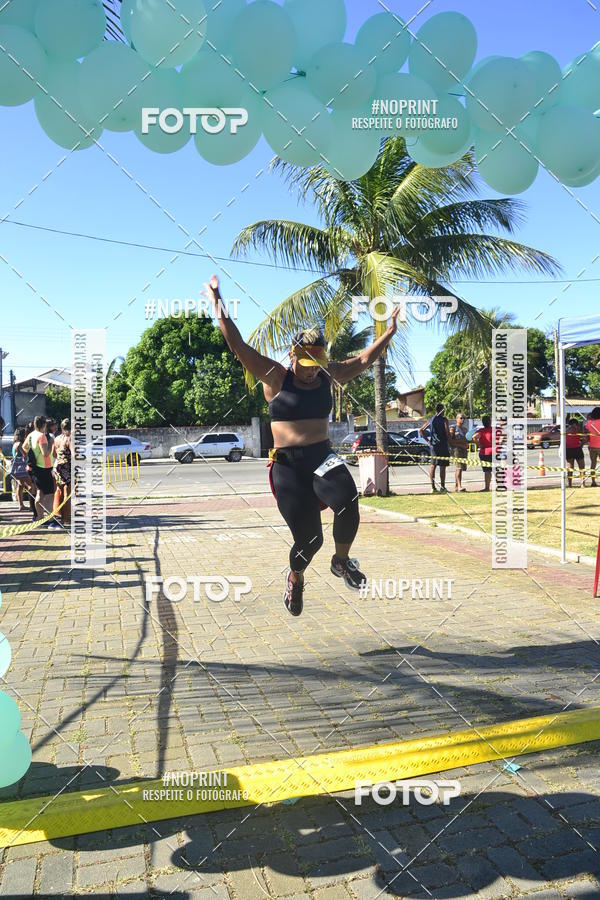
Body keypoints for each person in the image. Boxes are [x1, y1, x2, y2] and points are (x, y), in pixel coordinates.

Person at [205, 274, 400, 616]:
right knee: (310, 541)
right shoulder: (275, 376)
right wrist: (218, 300)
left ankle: (341, 562)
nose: (311, 372)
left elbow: (364, 361)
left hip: (322, 458)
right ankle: (296, 578)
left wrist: (388, 333)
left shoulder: (327, 374)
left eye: (316, 365)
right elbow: (237, 345)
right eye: (306, 365)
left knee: (349, 501)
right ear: (292, 356)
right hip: (289, 467)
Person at [23, 415, 55, 523]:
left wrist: (32, 454)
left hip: (36, 468)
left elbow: (24, 447)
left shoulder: (31, 435)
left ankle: (40, 518)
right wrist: (50, 444)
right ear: (44, 424)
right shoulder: (42, 436)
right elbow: (45, 453)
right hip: (44, 468)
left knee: (40, 493)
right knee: (49, 495)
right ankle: (51, 519)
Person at [420, 403, 450, 493]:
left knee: (433, 466)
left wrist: (428, 441)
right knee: (442, 466)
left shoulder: (431, 420)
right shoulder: (444, 420)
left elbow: (421, 430)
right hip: (443, 445)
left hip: (433, 446)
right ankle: (442, 486)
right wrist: (451, 441)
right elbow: (447, 432)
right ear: (442, 410)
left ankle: (433, 487)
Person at [52, 418, 71, 526]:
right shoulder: (69, 439)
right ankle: (66, 518)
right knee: (67, 493)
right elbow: (74, 455)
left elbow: (53, 454)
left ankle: (58, 516)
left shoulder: (57, 438)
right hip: (67, 467)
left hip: (57, 467)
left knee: (58, 492)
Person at [10, 428, 31, 510]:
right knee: (31, 485)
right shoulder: (19, 443)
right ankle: (32, 505)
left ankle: (21, 505)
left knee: (20, 486)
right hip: (22, 468)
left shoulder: (13, 444)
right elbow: (23, 454)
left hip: (16, 469)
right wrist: (25, 454)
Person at [473, 415, 494, 491]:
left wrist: (479, 444)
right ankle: (500, 486)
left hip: (484, 452)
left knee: (487, 471)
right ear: (490, 421)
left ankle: (487, 487)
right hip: (495, 452)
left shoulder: (481, 431)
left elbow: (474, 437)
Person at [449, 412, 469, 492]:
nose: (463, 419)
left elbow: (467, 439)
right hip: (456, 450)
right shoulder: (453, 428)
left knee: (462, 468)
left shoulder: (465, 429)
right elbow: (451, 440)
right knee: (459, 468)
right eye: (461, 418)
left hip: (464, 449)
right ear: (456, 419)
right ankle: (459, 486)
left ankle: (456, 486)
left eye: (463, 418)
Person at [565, 416, 586, 488]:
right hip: (577, 449)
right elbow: (584, 438)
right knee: (581, 467)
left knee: (570, 467)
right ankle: (583, 484)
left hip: (569, 449)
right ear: (576, 424)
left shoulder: (566, 430)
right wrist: (581, 444)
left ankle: (569, 484)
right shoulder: (578, 429)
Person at [585, 407, 600, 488]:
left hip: (592, 446)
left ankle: (593, 481)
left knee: (593, 464)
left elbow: (586, 434)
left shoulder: (589, 423)